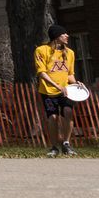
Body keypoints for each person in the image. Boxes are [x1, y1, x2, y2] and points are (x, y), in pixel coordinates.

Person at [35, 24, 77, 157]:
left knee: (68, 111)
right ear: (56, 37)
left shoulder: (70, 53)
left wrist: (76, 84)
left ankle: (66, 143)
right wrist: (57, 86)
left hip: (65, 90)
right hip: (48, 91)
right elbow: (42, 73)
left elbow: (69, 74)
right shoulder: (42, 50)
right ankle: (54, 147)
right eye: (64, 34)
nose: (67, 36)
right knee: (53, 117)